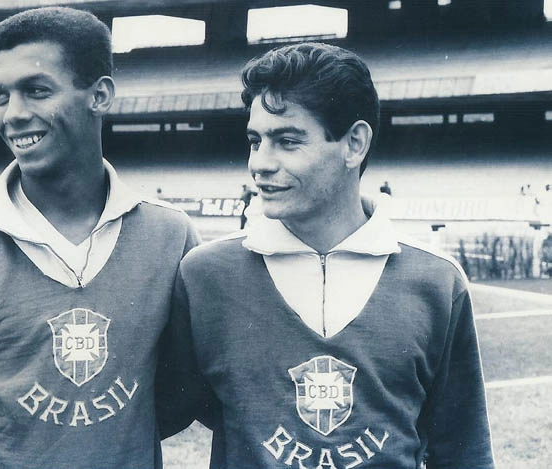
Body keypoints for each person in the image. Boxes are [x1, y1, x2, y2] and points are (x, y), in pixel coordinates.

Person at [0, 7, 199, 469]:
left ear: (99, 95)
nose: (13, 115)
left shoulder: (170, 235)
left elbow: (178, 393)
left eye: (36, 91)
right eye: (0, 96)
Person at [161, 43, 494, 468]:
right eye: (254, 140)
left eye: (286, 141)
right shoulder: (206, 275)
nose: (259, 163)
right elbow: (185, 411)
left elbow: (463, 451)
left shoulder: (436, 282)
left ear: (354, 144)